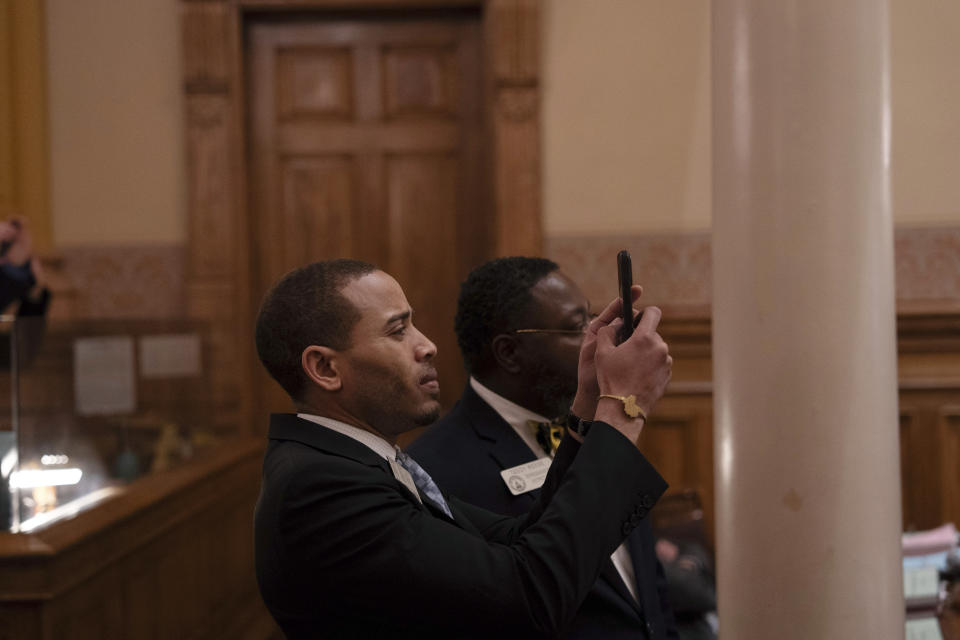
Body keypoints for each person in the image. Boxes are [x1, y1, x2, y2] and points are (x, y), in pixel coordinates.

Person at [253, 259, 673, 639]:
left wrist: (586, 404)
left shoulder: (358, 460)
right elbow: (525, 598)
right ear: (325, 368)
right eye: (398, 330)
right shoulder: (319, 487)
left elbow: (518, 536)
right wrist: (624, 409)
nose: (427, 345)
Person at [408, 257, 678, 639]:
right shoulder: (438, 471)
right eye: (575, 328)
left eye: (591, 321)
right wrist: (626, 405)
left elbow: (649, 585)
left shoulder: (601, 427)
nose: (596, 341)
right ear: (509, 353)